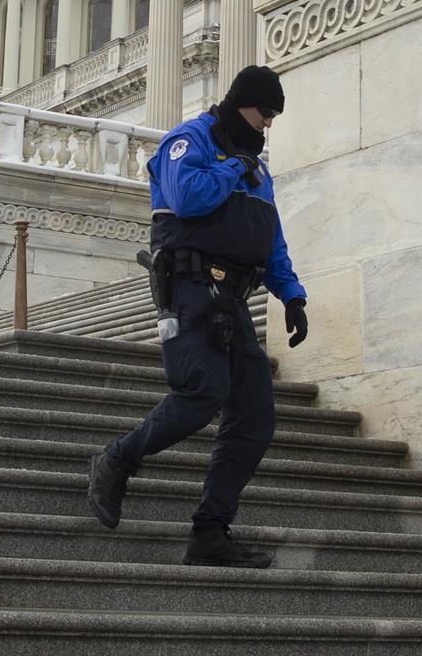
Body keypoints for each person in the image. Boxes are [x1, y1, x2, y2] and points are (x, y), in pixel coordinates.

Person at [86, 65, 308, 568]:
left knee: (255, 417)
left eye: (275, 116)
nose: (269, 124)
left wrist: (291, 295)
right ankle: (117, 459)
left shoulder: (256, 166)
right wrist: (233, 164)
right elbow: (187, 199)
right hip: (190, 288)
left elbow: (269, 238)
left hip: (233, 298)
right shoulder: (191, 141)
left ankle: (210, 532)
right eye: (265, 113)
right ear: (241, 103)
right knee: (202, 389)